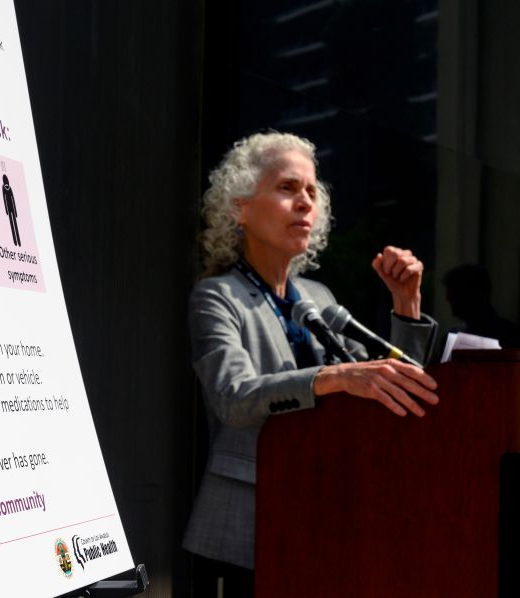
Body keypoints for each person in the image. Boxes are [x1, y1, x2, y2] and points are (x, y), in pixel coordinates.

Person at [183, 132, 440, 597]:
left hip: (328, 520)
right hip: (248, 528)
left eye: (311, 191)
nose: (305, 201)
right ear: (239, 207)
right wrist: (335, 377)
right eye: (287, 188)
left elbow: (391, 396)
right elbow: (232, 399)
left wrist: (406, 306)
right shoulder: (217, 297)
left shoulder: (319, 298)